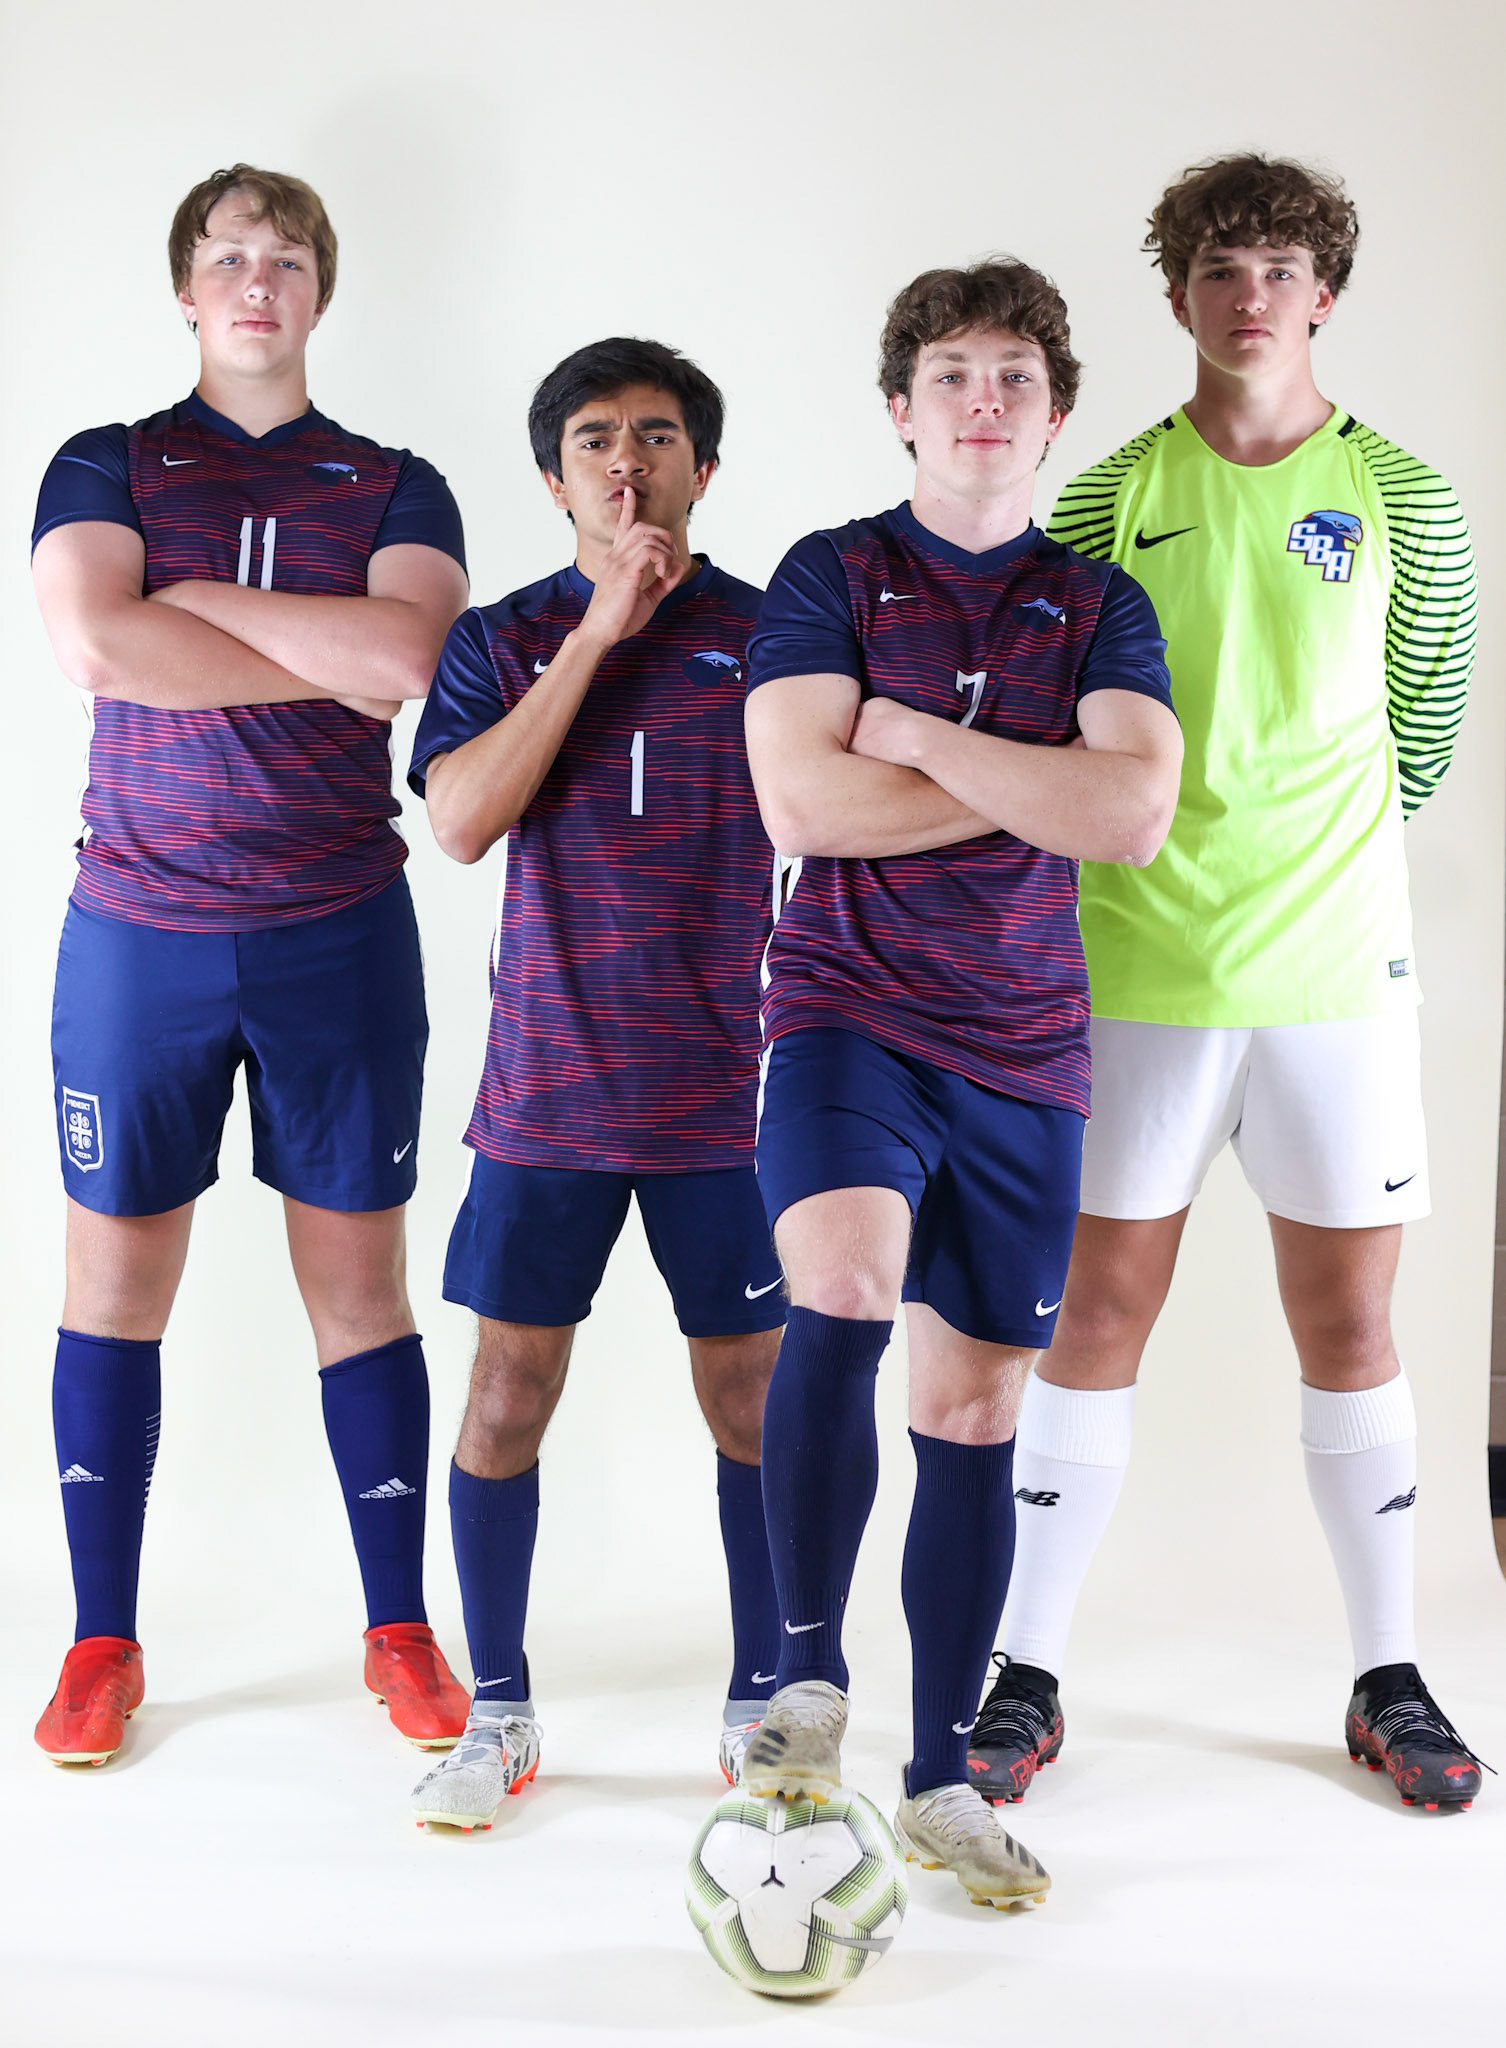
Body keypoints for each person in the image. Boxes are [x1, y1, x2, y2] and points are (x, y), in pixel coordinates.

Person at [970, 154, 1485, 1815]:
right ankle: (1023, 1671)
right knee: (1094, 1316)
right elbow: (1050, 739)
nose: (1247, 296)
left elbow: (1416, 744)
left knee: (1347, 1323)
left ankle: (1388, 1672)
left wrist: (1297, 861)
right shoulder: (1106, 498)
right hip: (1132, 969)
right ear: (1176, 297)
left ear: (1321, 293)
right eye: (1215, 269)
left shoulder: (1407, 501)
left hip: (1336, 979)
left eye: (1275, 268)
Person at [738, 261, 1182, 1906]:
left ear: (1052, 413)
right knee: (839, 1286)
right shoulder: (830, 572)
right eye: (948, 374)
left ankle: (936, 1779)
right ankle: (801, 1684)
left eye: (1011, 376)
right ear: (900, 406)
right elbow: (802, 808)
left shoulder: (1099, 603)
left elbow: (1130, 819)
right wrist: (1036, 780)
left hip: (1023, 1045)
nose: (980, 401)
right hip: (846, 1009)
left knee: (973, 1411)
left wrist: (913, 739)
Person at [31, 164, 472, 1768]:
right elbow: (90, 642)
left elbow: (406, 663)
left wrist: (195, 599)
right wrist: (305, 643)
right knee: (113, 1288)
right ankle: (98, 1641)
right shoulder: (106, 458)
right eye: (226, 257)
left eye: (282, 257)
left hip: (335, 932)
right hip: (137, 934)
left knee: (359, 1289)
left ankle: (400, 1630)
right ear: (186, 290)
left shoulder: (397, 482)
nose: (254, 280)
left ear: (318, 289)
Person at [404, 338, 784, 1832]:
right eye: (593, 439)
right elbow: (460, 820)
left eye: (658, 435)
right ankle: (496, 1711)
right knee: (503, 1399)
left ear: (702, 465)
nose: (626, 460)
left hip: (728, 1100)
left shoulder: (771, 633)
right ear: (551, 476)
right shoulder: (502, 638)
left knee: (751, 1404)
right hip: (550, 1092)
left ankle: (765, 1703)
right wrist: (597, 633)